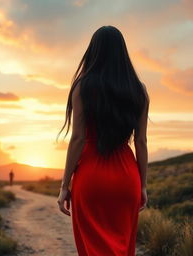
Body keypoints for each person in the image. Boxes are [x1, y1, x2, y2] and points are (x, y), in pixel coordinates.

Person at [56, 25, 149, 256]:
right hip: (127, 178)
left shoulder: (82, 87)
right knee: (121, 245)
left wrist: (64, 185)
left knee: (94, 248)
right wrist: (143, 185)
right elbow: (141, 142)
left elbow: (77, 138)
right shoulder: (139, 90)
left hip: (91, 177)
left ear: (93, 51)